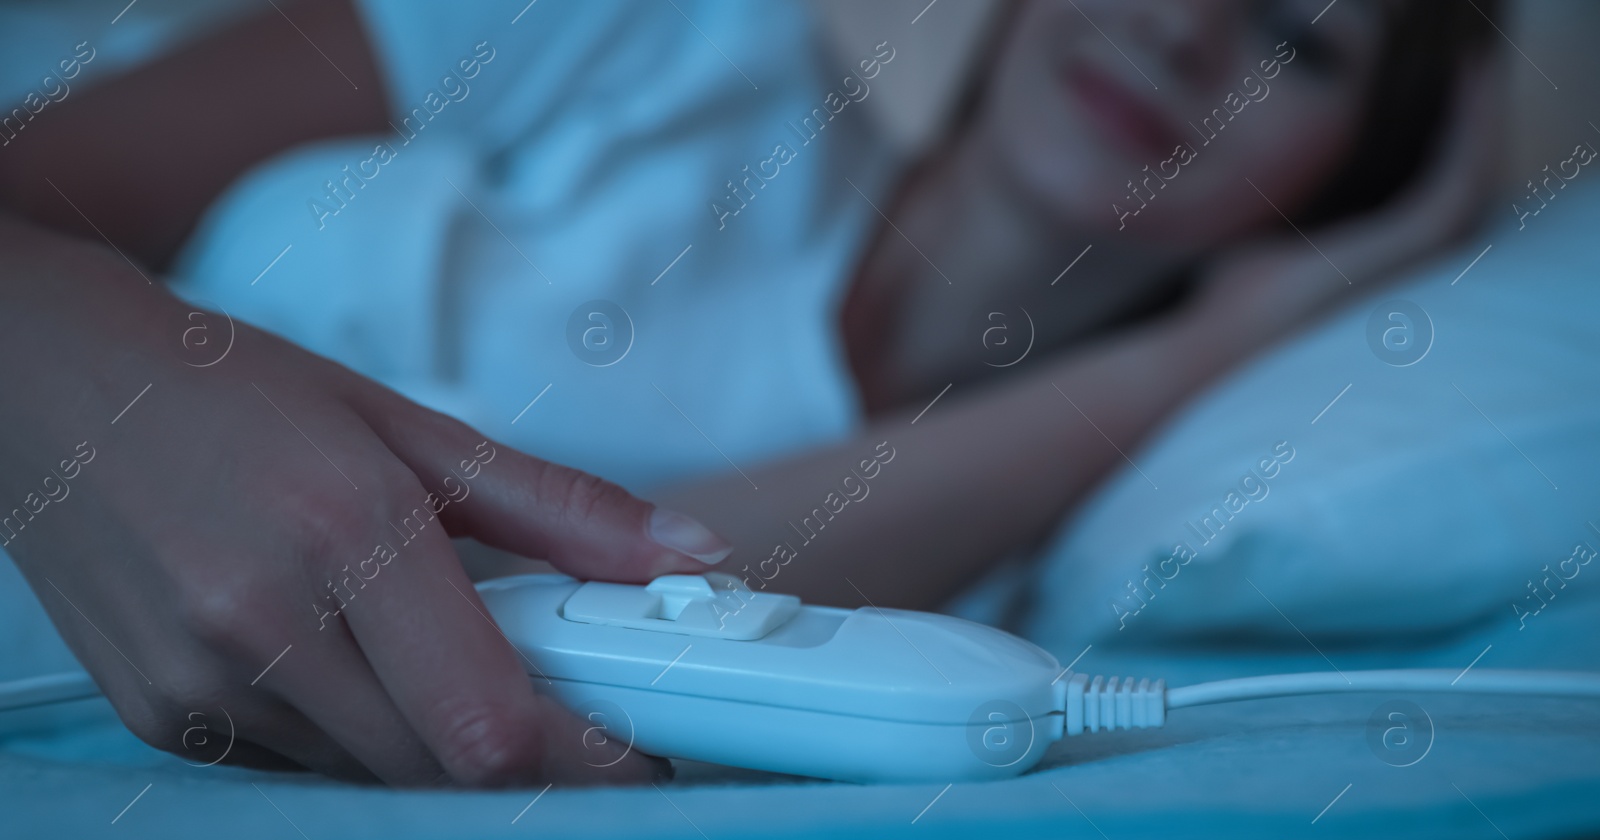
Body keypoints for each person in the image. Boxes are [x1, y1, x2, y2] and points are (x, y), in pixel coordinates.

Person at [0, 0, 1500, 787]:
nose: (1183, 25)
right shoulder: (659, 30)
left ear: (1351, 181)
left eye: (1299, 40)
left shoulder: (1092, 526)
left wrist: (1205, 353)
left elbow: (539, 620)